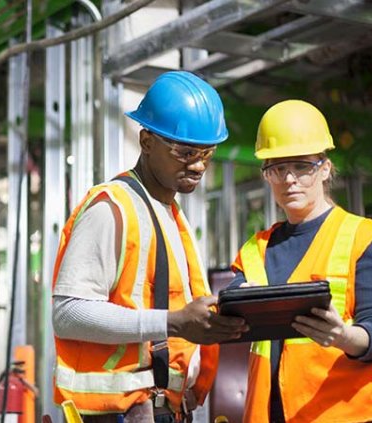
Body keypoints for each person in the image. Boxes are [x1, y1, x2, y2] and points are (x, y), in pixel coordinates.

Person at [51, 71, 248, 422]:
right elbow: (68, 314)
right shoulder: (111, 208)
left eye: (207, 153)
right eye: (185, 151)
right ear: (146, 142)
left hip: (162, 410)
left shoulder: (168, 213)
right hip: (119, 415)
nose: (199, 165)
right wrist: (171, 322)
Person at [228, 100, 372, 423]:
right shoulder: (255, 249)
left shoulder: (365, 240)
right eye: (277, 168)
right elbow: (231, 318)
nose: (289, 179)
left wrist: (343, 336)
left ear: (324, 168)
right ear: (267, 176)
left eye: (302, 167)